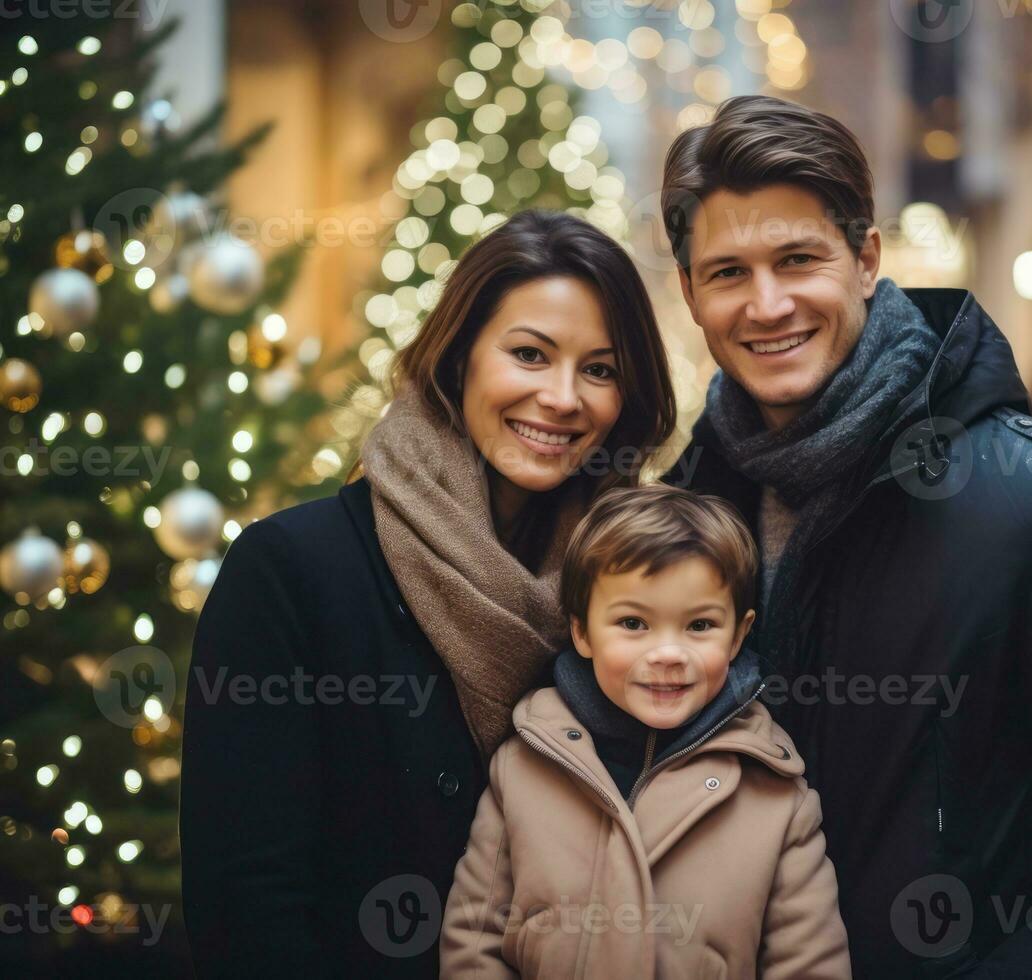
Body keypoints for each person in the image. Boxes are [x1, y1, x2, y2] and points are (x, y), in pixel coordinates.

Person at [660, 95, 1032, 977]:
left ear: (865, 259)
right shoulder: (687, 507)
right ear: (689, 292)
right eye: (727, 272)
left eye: (797, 259)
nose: (766, 304)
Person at [180, 209, 676, 977]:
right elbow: (246, 902)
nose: (562, 397)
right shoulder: (292, 569)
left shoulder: (634, 592)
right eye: (529, 354)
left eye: (600, 370)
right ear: (459, 359)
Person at [440, 484, 851, 978]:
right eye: (634, 623)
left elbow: (809, 965)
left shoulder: (777, 796)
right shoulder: (525, 764)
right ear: (583, 633)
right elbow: (474, 942)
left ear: (739, 635)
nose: (668, 654)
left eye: (699, 626)